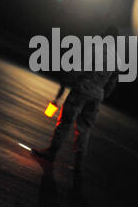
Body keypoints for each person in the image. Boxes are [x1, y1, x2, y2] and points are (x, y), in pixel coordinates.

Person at [32, 26, 120, 172]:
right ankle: (78, 162)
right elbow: (112, 83)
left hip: (82, 89)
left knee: (65, 121)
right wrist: (102, 94)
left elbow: (79, 69)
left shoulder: (94, 49)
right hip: (97, 95)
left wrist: (66, 81)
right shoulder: (116, 58)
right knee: (84, 128)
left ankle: (52, 152)